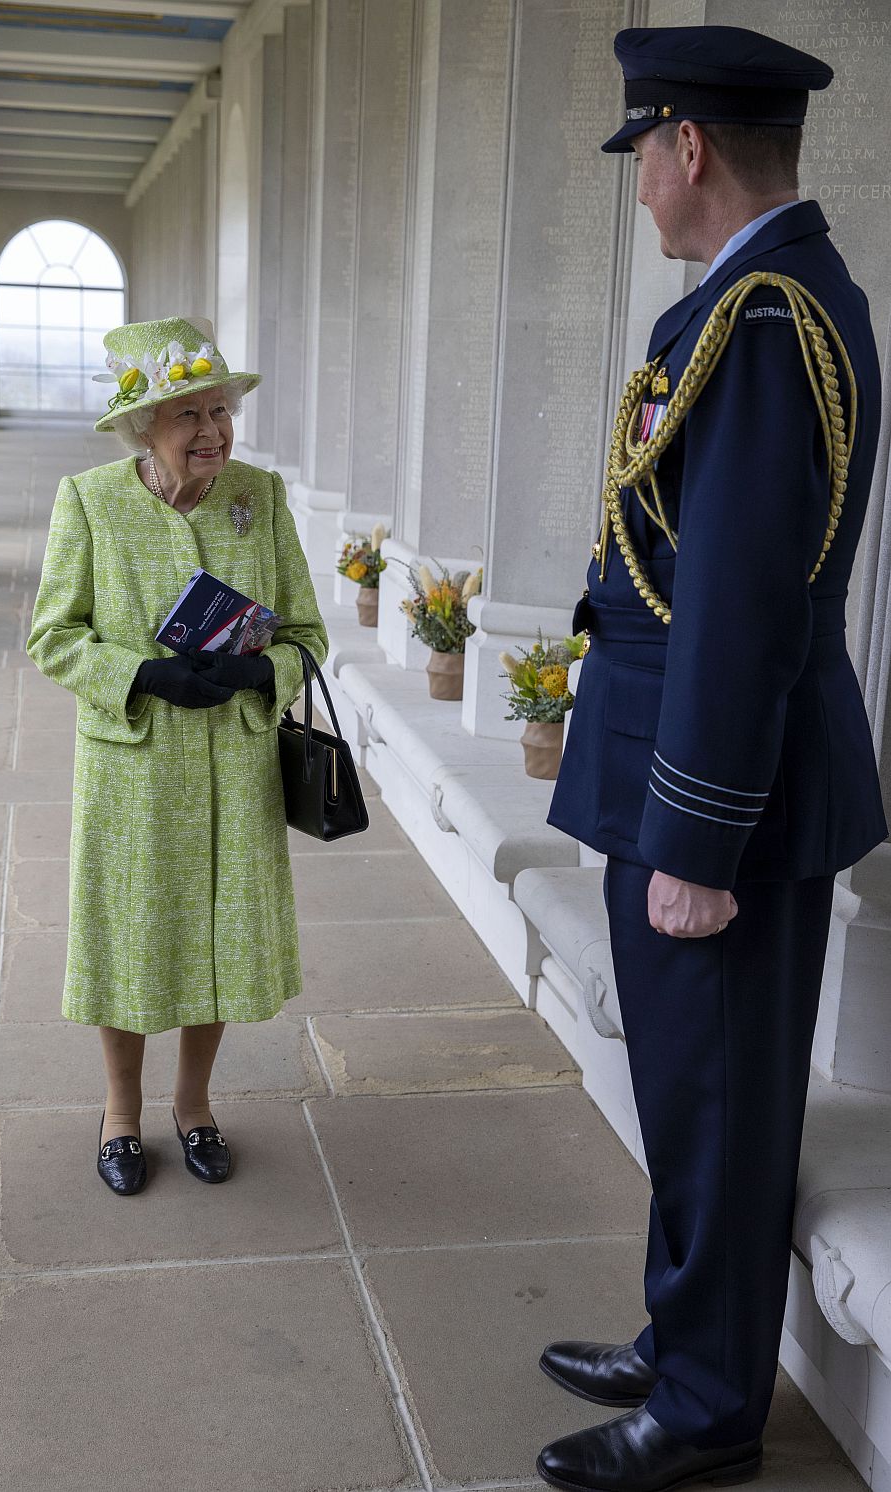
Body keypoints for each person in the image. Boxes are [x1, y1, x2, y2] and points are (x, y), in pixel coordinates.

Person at [541, 26, 887, 1492]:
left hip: (718, 799)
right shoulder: (760, 302)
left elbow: (739, 605)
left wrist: (693, 843)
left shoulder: (762, 319)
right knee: (691, 1088)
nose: (638, 191)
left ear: (685, 145)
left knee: (724, 1103)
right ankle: (685, 1329)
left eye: (643, 159)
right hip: (679, 762)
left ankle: (706, 1407)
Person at [27, 317, 327, 1197]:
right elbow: (52, 638)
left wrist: (256, 669)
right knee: (132, 939)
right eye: (188, 414)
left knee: (221, 941)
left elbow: (307, 636)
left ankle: (193, 1106)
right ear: (141, 427)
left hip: (237, 767)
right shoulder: (88, 500)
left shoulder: (258, 497)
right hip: (134, 768)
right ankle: (122, 1113)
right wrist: (145, 674)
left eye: (220, 409)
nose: (213, 431)